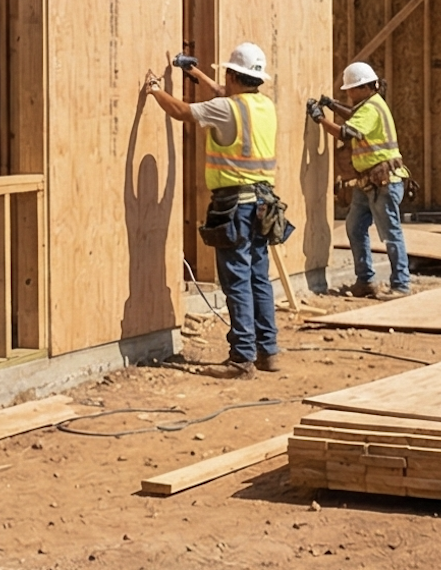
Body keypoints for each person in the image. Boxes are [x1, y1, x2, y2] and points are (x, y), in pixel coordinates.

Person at [145, 42, 279, 376]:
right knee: (258, 278)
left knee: (235, 280)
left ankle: (241, 358)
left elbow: (181, 112)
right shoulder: (264, 106)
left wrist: (155, 91)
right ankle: (268, 352)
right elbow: (225, 94)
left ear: (234, 75)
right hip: (264, 205)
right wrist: (195, 73)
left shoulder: (225, 108)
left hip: (236, 207)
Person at [311, 61, 411, 297]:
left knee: (390, 234)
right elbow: (353, 115)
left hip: (383, 182)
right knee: (355, 227)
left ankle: (401, 284)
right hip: (370, 183)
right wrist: (332, 106)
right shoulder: (371, 104)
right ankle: (365, 280)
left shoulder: (371, 108)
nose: (349, 93)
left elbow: (347, 132)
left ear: (365, 88)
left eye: (351, 89)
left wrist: (320, 120)